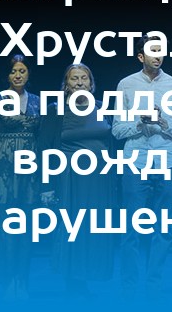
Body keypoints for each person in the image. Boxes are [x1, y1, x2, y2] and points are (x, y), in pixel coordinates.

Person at [111, 34, 172, 294]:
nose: (158, 55)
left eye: (161, 50)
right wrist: (139, 123)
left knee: (164, 229)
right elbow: (117, 130)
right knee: (132, 228)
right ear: (141, 56)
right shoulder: (126, 84)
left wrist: (165, 123)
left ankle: (154, 284)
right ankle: (130, 287)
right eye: (152, 51)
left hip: (167, 161)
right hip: (137, 162)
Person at [39, 64, 117, 297]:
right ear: (66, 84)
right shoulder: (56, 110)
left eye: (85, 78)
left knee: (94, 228)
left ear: (91, 83)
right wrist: (47, 185)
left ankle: (87, 277)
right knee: (73, 228)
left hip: (100, 179)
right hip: (71, 179)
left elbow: (110, 143)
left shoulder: (101, 107)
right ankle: (73, 282)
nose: (80, 82)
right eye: (74, 78)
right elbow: (45, 148)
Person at [0, 55, 43, 298]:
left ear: (29, 73)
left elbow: (41, 137)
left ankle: (22, 280)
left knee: (27, 227)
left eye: (22, 70)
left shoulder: (37, 101)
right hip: (4, 168)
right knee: (7, 225)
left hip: (30, 168)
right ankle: (7, 279)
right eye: (13, 71)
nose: (18, 75)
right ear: (7, 75)